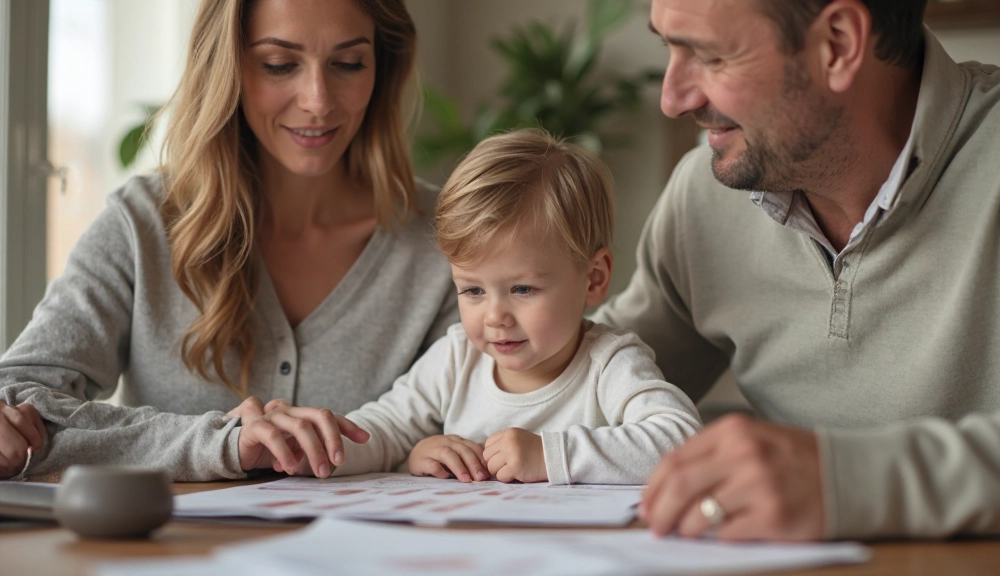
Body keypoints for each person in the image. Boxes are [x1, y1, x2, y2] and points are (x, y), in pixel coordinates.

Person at [596, 0, 1000, 539]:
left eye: (708, 55)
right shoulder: (706, 195)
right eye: (669, 48)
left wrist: (846, 483)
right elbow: (587, 382)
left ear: (839, 45)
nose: (673, 98)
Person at [0, 0, 459, 481]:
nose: (318, 100)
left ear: (381, 68)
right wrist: (222, 443)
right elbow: (20, 405)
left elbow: (492, 419)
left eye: (348, 63)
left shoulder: (445, 238)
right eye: (279, 65)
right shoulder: (143, 224)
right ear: (228, 67)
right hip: (177, 553)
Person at [291, 129, 702, 484]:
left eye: (522, 289)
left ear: (593, 279)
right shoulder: (456, 358)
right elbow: (381, 431)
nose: (494, 317)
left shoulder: (609, 364)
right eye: (472, 291)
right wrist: (410, 455)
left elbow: (680, 440)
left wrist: (550, 455)